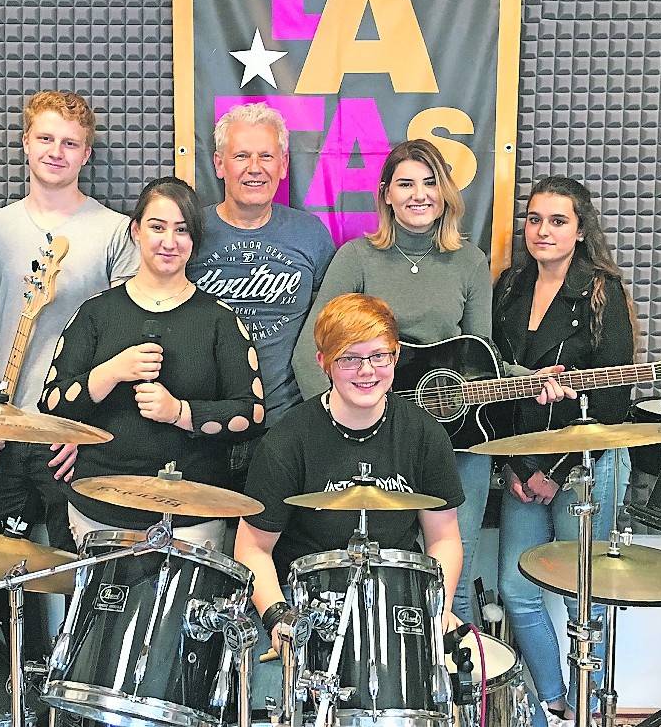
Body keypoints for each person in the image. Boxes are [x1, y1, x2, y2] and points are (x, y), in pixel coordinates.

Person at [290, 138, 493, 623]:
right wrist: (342, 428)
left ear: (446, 192)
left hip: (454, 441)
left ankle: (447, 670)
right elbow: (309, 354)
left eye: (430, 182)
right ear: (385, 194)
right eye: (405, 184)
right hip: (371, 441)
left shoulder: (471, 262)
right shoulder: (357, 257)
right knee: (366, 573)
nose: (419, 194)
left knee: (454, 581)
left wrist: (536, 380)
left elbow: (483, 359)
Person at [235, 292, 465, 658]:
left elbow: (444, 538)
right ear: (323, 363)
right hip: (307, 610)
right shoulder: (287, 440)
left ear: (395, 356)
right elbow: (252, 547)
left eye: (379, 356)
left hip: (397, 605)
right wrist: (279, 618)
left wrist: (439, 608)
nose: (367, 371)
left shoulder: (424, 434)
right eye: (349, 358)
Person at [40, 177, 264, 549]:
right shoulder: (96, 313)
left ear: (194, 240)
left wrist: (180, 412)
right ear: (136, 231)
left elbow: (251, 414)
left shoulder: (220, 320)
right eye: (157, 227)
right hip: (100, 507)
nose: (169, 242)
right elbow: (52, 404)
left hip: (191, 514)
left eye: (182, 230)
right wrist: (110, 372)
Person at [492, 176, 638, 727]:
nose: (543, 231)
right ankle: (555, 699)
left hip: (587, 467)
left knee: (586, 595)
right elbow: (497, 384)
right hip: (521, 463)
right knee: (516, 588)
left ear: (580, 230)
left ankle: (588, 707)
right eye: (534, 219)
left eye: (558, 221)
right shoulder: (509, 287)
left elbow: (615, 397)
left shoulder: (602, 292)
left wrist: (554, 470)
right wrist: (514, 465)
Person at [0, 91, 138, 549]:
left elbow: (122, 341)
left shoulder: (116, 231)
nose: (56, 152)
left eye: (70, 143)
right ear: (25, 142)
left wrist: (87, 429)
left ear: (86, 154)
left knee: (73, 568)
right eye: (45, 138)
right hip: (2, 434)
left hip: (70, 435)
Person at [187, 102, 335, 484]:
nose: (255, 168)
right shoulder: (189, 232)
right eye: (241, 156)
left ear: (283, 165)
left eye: (266, 156)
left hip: (284, 428)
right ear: (219, 164)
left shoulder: (311, 235)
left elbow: (330, 329)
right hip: (198, 427)